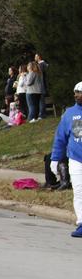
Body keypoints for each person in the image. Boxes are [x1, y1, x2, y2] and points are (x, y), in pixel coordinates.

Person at [49, 82, 82, 237]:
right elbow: (60, 138)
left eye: (79, 92)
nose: (76, 95)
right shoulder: (70, 114)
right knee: (79, 192)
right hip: (76, 160)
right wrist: (55, 159)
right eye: (75, 92)